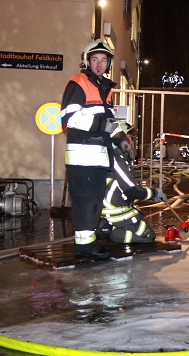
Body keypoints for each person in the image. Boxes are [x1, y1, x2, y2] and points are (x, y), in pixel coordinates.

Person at [60, 40, 128, 260]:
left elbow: (109, 122)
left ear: (108, 63)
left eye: (103, 60)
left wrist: (121, 138)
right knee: (86, 202)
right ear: (87, 61)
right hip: (83, 158)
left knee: (94, 202)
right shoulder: (78, 83)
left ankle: (90, 244)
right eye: (95, 60)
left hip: (96, 159)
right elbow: (70, 117)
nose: (99, 64)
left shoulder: (103, 88)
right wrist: (102, 126)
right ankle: (86, 248)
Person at [97, 122, 168, 244]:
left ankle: (108, 229)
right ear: (120, 140)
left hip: (119, 206)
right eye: (128, 137)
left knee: (144, 229)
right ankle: (106, 231)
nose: (131, 141)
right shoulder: (116, 159)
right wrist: (155, 194)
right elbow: (131, 190)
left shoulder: (117, 157)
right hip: (115, 211)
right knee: (147, 236)